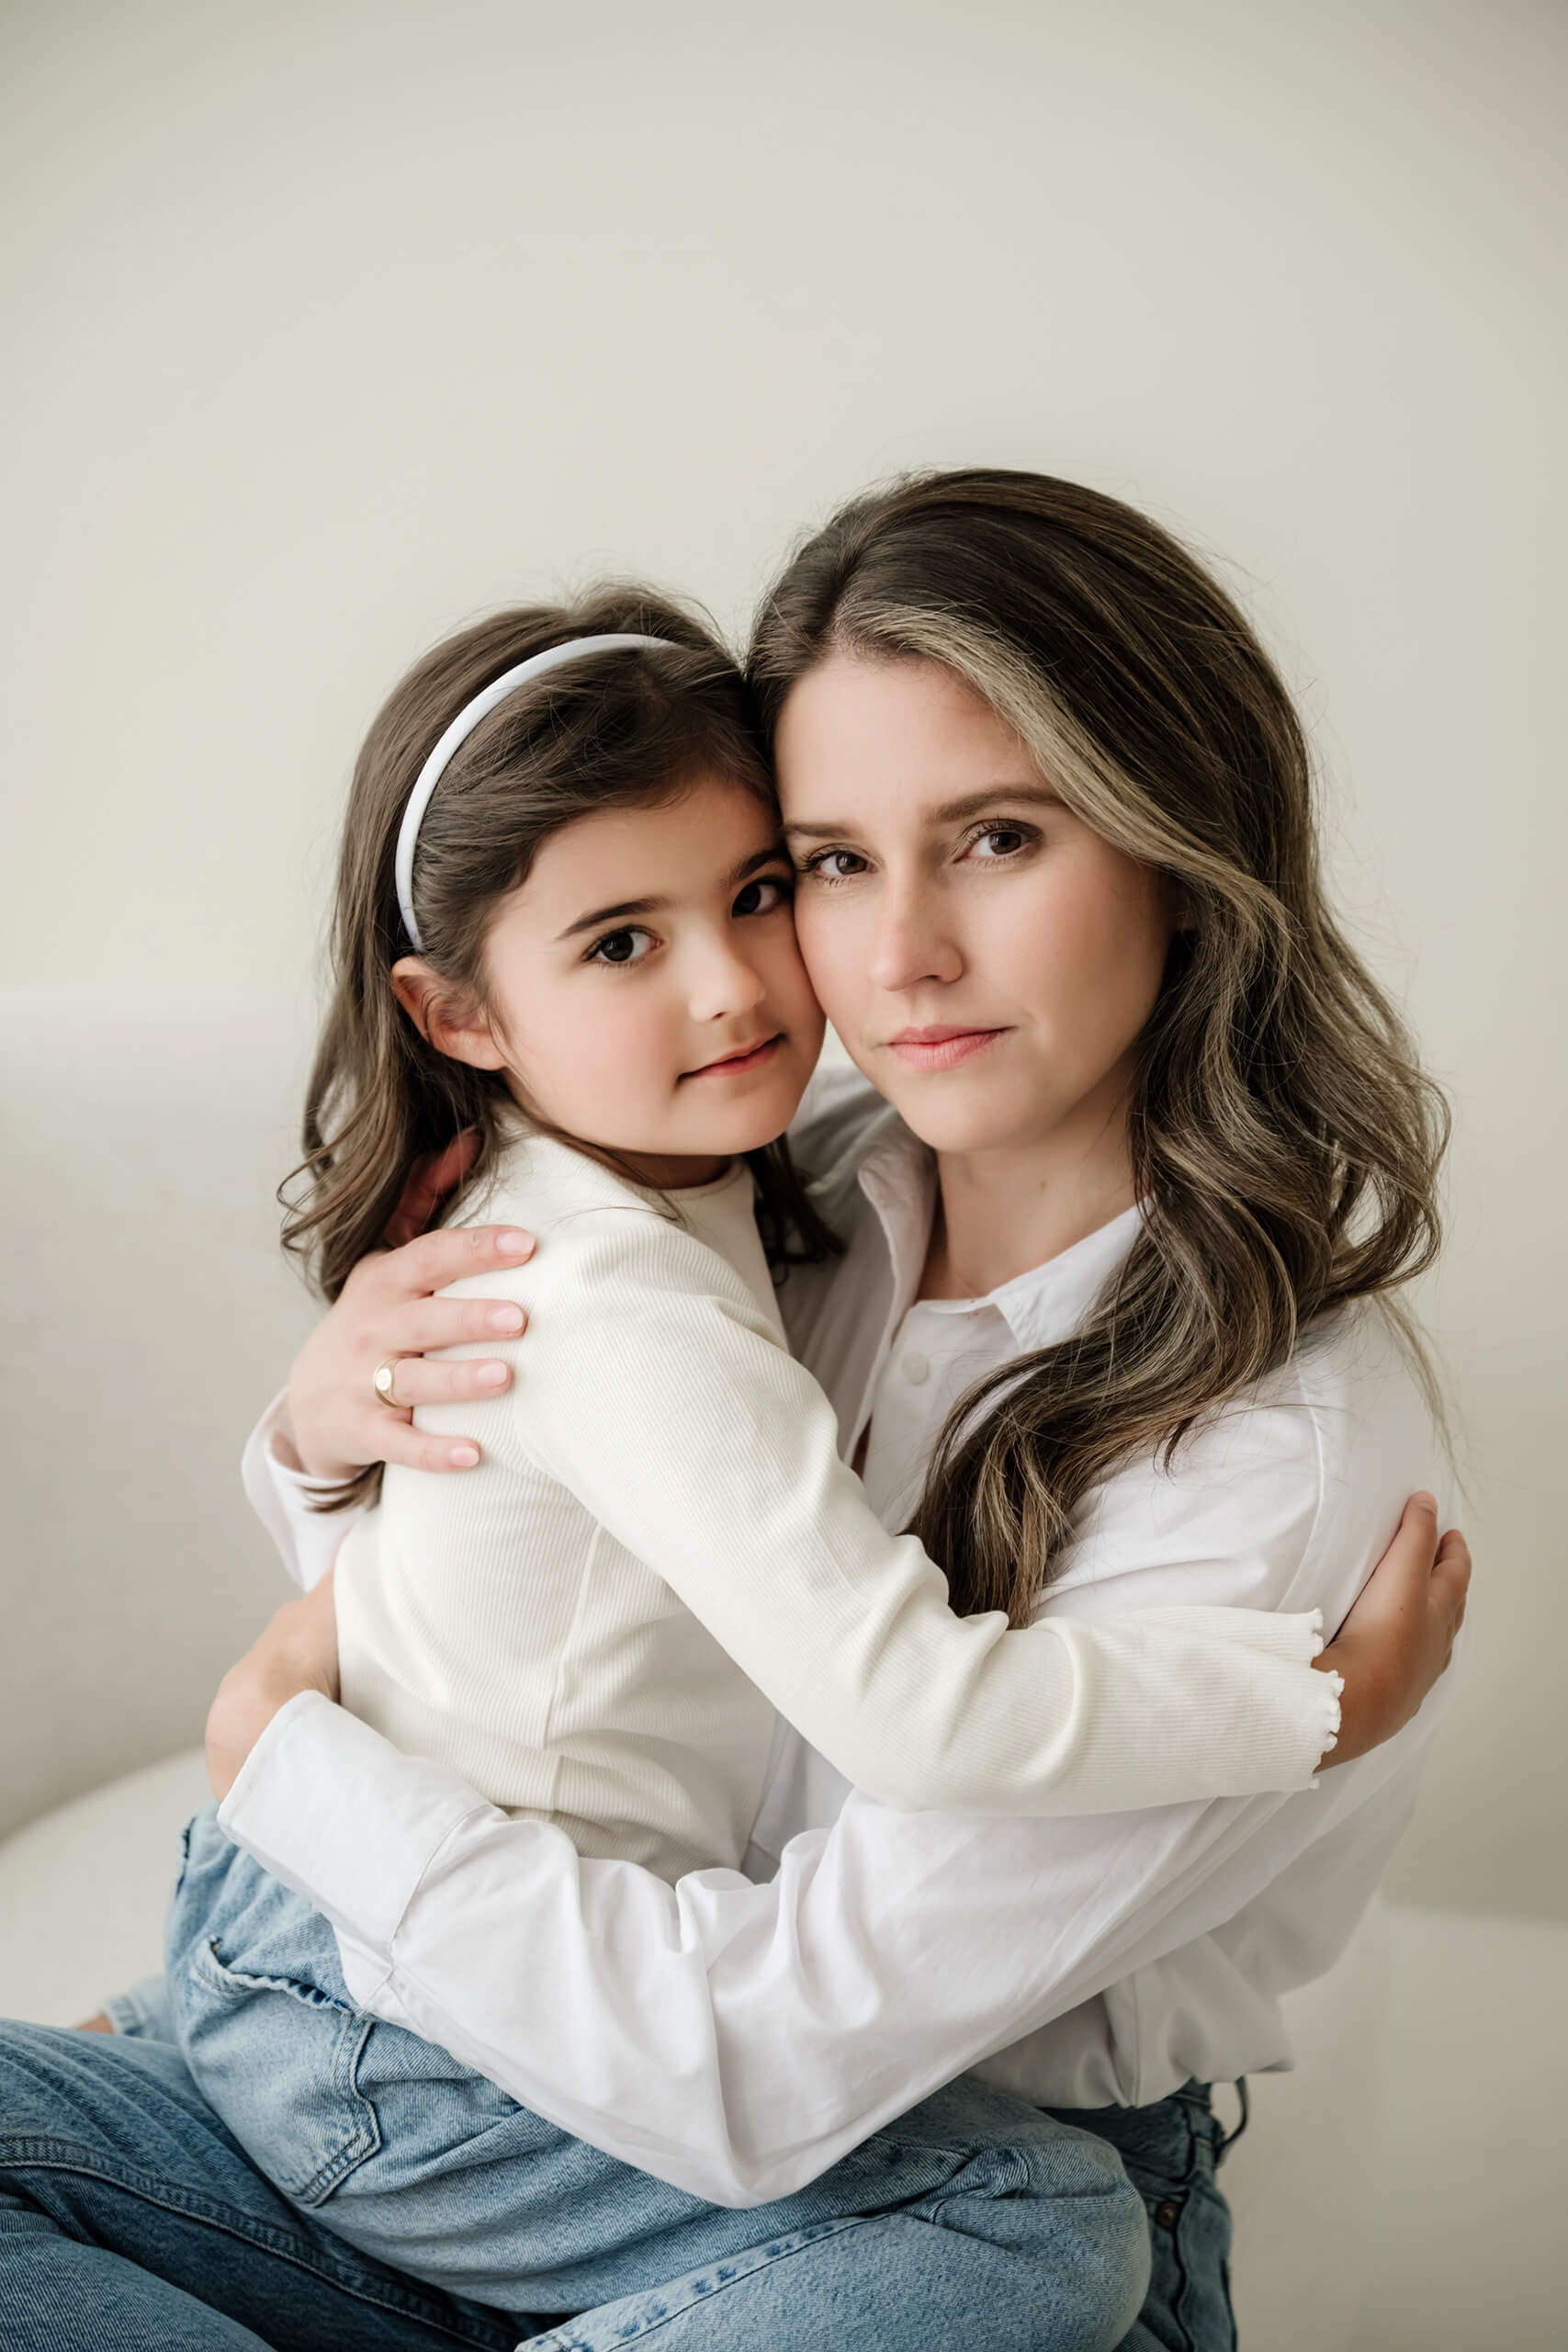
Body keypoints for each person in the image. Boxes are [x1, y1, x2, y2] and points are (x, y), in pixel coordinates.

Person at [0, 471, 1468, 2352]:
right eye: (836, 859)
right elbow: (512, 1579)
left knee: (1029, 2238)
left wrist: (290, 1767)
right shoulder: (788, 1182)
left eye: (995, 837)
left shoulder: (1271, 1450)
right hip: (510, 2103)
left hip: (859, 2231)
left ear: (1178, 841)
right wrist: (318, 1422)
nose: (894, 953)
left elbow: (746, 2068)